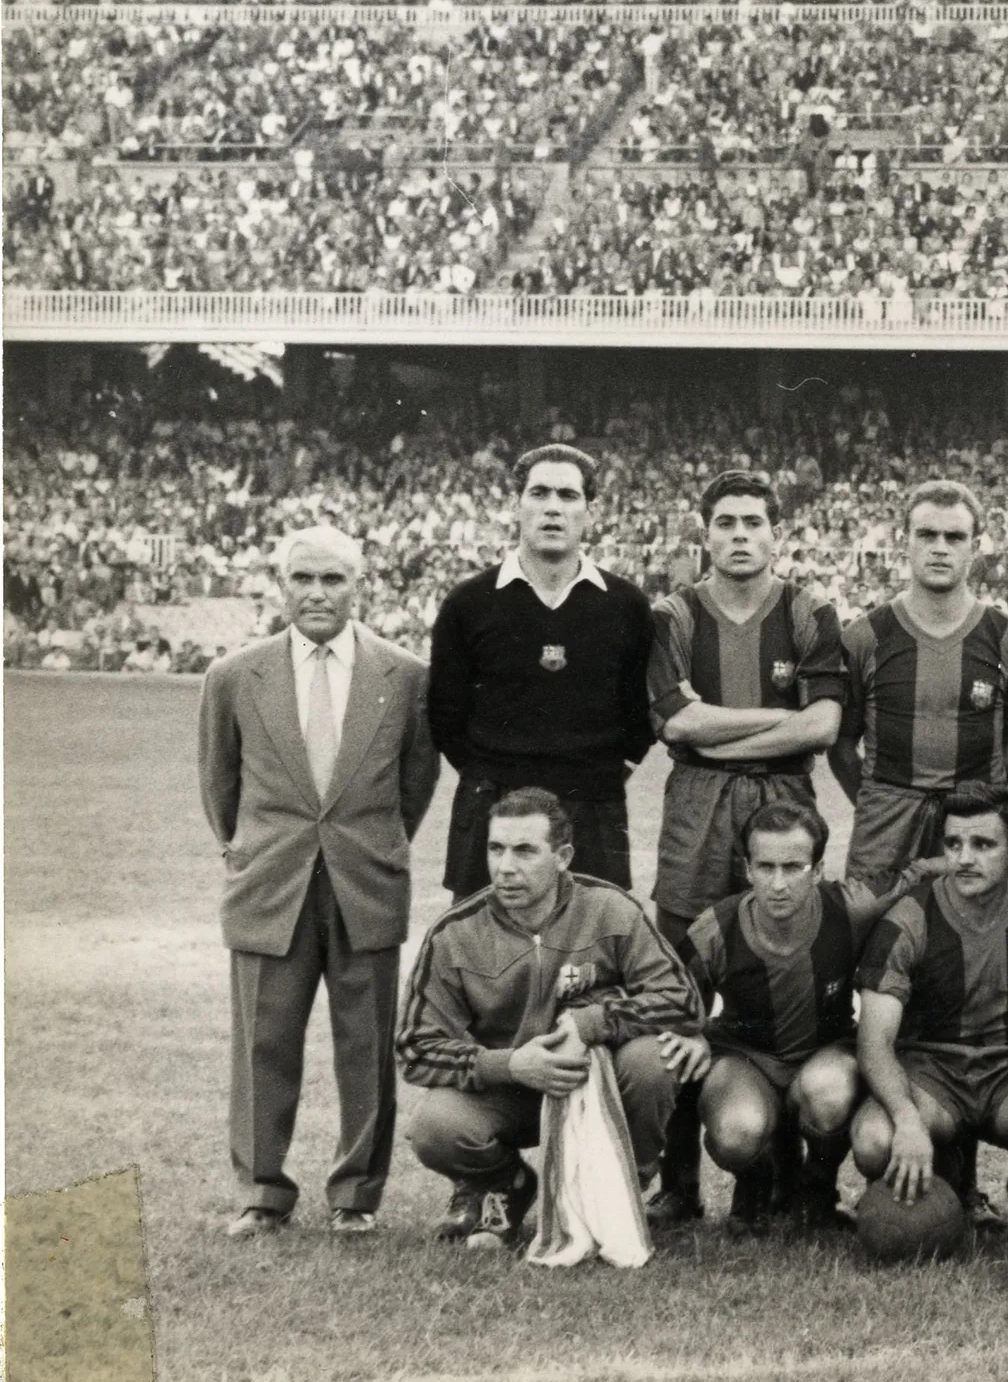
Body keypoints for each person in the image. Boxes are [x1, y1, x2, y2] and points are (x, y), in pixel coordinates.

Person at [198, 524, 440, 1238]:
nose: (317, 593)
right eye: (303, 579)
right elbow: (220, 785)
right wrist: (257, 850)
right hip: (271, 884)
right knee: (261, 1044)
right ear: (281, 587)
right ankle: (261, 1193)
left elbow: (414, 783)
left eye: (333, 580)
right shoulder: (235, 674)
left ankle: (355, 1196)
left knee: (365, 1046)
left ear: (359, 587)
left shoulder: (405, 676)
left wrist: (368, 845)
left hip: (366, 881)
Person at [397, 788, 702, 1249]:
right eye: (496, 849)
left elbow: (681, 1000)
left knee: (651, 1061)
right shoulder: (455, 934)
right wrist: (509, 1064)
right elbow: (414, 1048)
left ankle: (620, 1187)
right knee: (434, 1126)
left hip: (594, 1083)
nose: (505, 867)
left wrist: (591, 1024)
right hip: (511, 1092)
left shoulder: (610, 909)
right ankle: (507, 1184)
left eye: (524, 851)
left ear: (563, 856)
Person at [849, 783, 1008, 1247]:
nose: (964, 858)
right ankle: (945, 1188)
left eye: (983, 844)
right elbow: (874, 1043)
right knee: (874, 1140)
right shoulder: (908, 918)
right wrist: (905, 1118)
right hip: (931, 1074)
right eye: (954, 844)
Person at [654, 803, 902, 1235]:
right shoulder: (716, 928)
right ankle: (757, 1180)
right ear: (747, 869)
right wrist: (687, 1032)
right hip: (746, 1057)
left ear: (819, 868)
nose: (778, 883)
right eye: (765, 867)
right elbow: (669, 998)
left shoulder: (851, 908)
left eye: (793, 867)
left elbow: (924, 873)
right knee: (735, 1133)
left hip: (824, 1054)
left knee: (829, 1094)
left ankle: (815, 1190)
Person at [429, 444, 654, 897]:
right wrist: (496, 773)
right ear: (516, 505)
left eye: (568, 496)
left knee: (591, 959)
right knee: (485, 958)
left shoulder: (626, 605)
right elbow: (445, 718)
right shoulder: (467, 603)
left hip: (592, 808)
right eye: (540, 493)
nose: (553, 507)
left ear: (590, 511)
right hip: (495, 806)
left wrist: (592, 776)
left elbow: (639, 718)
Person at [647, 470, 845, 956]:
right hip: (698, 800)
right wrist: (782, 717)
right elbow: (677, 722)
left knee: (788, 945)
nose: (740, 534)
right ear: (705, 533)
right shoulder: (673, 616)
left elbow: (822, 725)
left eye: (753, 523)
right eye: (726, 522)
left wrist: (714, 741)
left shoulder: (809, 612)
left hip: (783, 791)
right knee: (684, 948)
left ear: (776, 537)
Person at [832, 481, 1008, 898]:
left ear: (975, 546)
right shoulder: (864, 636)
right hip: (883, 833)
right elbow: (840, 743)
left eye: (954, 536)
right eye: (927, 534)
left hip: (974, 827)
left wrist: (983, 804)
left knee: (969, 949)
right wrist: (878, 802)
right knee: (873, 950)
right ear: (903, 541)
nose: (940, 547)